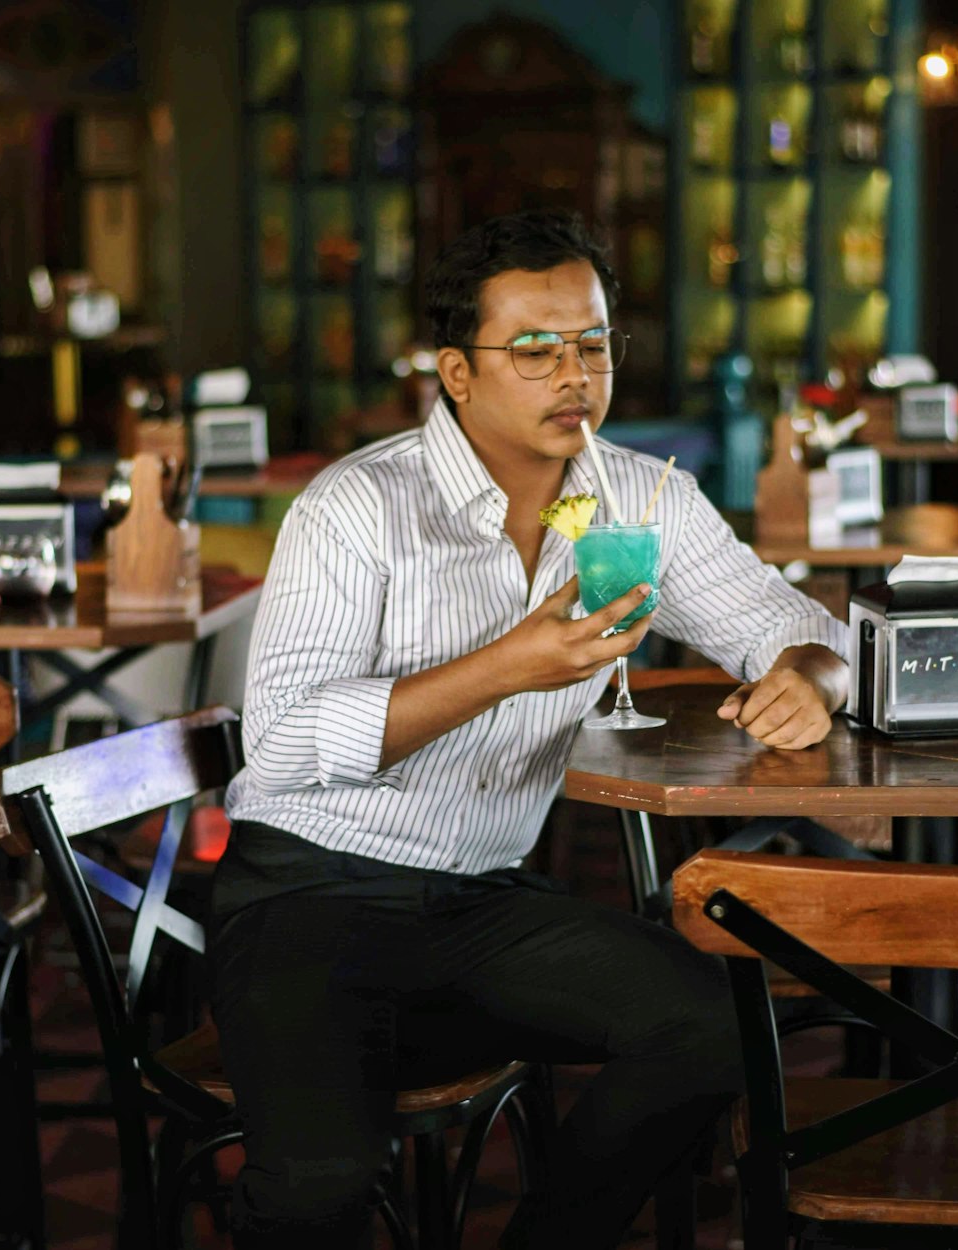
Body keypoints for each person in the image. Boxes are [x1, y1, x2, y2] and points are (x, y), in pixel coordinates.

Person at [208, 208, 849, 1249]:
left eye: (592, 345)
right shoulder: (357, 505)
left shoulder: (637, 499)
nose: (574, 376)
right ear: (457, 373)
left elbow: (801, 626)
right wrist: (509, 664)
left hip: (480, 903)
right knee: (320, 1181)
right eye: (536, 350)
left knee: (715, 1024)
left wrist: (811, 674)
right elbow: (281, 743)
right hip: (307, 893)